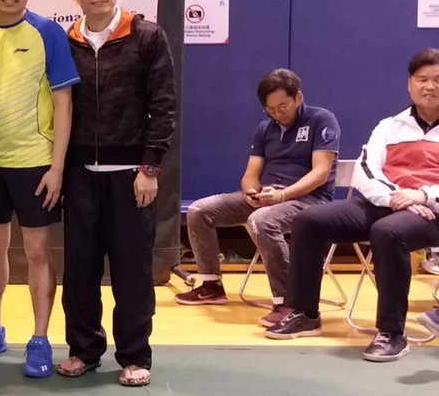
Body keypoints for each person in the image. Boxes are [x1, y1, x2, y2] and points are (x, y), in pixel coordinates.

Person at [267, 49, 439, 361]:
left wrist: (422, 196)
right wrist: (395, 197)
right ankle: (304, 312)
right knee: (309, 220)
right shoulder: (390, 126)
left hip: (431, 212)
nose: (430, 86)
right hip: (386, 203)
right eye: (422, 79)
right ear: (409, 84)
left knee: (388, 232)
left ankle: (391, 332)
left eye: (437, 80)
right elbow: (366, 170)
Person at [57, 0, 176, 388]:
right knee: (79, 271)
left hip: (131, 178)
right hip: (79, 176)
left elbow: (164, 105)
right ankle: (83, 350)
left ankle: (134, 355)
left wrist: (150, 167)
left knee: (132, 273)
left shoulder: (147, 36)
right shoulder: (65, 42)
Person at [0, 0, 78, 377]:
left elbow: (64, 103)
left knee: (37, 252)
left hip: (35, 164)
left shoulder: (49, 33)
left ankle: (40, 338)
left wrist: (57, 167)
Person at [176, 69, 339, 325]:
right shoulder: (265, 129)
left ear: (298, 97)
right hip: (269, 196)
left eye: (282, 107)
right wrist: (252, 192)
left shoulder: (322, 120)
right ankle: (211, 285)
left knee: (262, 220)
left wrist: (283, 195)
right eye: (270, 109)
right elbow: (251, 173)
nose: (277, 114)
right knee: (199, 211)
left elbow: (321, 173)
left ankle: (289, 301)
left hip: (308, 200)